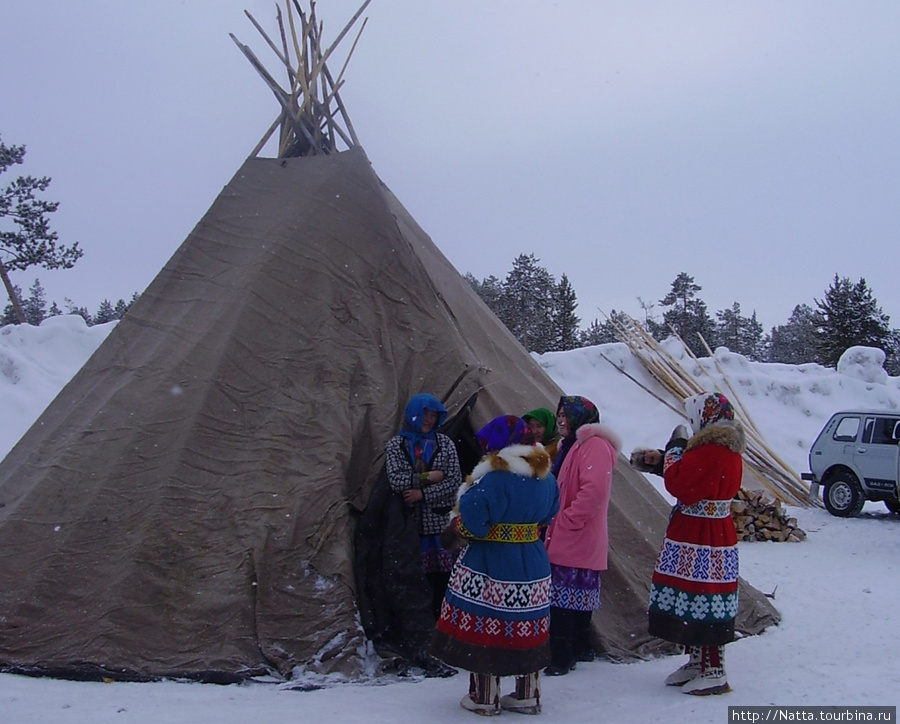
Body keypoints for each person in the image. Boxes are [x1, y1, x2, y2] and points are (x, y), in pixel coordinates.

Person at [431, 415, 560, 716]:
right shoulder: (547, 477)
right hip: (533, 559)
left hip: (493, 561)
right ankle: (528, 695)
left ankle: (484, 697)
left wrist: (455, 529)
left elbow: (474, 523)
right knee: (526, 625)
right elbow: (550, 513)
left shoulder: (495, 479)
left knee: (487, 622)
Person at [648, 392, 745, 696]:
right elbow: (694, 479)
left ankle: (713, 669)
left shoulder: (712, 449)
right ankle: (698, 661)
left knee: (704, 596)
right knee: (695, 595)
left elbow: (680, 483)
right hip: (708, 531)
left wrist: (675, 449)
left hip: (702, 534)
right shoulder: (723, 448)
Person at [543, 395, 621, 675]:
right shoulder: (571, 446)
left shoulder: (593, 445)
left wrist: (567, 519)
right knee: (569, 597)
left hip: (576, 533)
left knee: (563, 599)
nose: (561, 419)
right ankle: (576, 649)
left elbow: (594, 490)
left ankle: (563, 656)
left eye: (567, 414)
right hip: (570, 533)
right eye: (559, 413)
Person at [385, 393, 462, 620]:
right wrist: (429, 476)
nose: (428, 420)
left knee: (444, 578)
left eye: (433, 416)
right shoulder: (397, 444)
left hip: (439, 524)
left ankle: (442, 620)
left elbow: (453, 481)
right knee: (414, 576)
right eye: (425, 414)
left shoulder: (444, 444)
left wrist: (422, 494)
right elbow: (395, 479)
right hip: (408, 526)